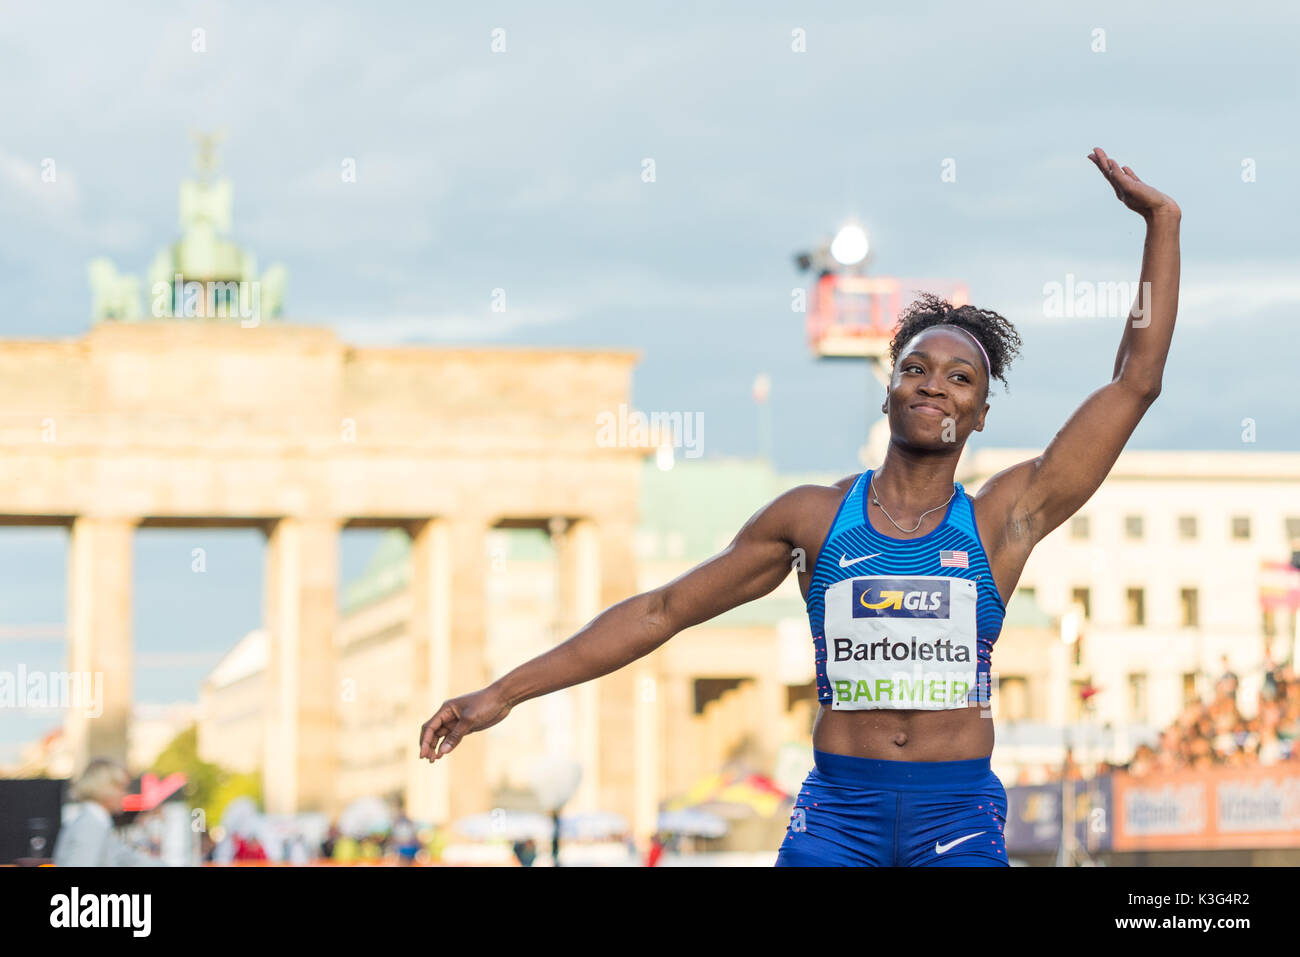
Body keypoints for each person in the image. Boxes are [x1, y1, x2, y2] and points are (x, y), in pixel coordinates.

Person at [418, 146, 1180, 867]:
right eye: (914, 368)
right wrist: (501, 693)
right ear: (887, 392)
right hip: (838, 816)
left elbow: (1132, 384)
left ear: (979, 415)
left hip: (956, 815)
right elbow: (661, 611)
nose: (931, 385)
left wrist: (1161, 225)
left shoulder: (1000, 521)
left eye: (959, 379)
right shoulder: (813, 520)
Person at [52, 757, 166, 867]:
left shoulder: (98, 824)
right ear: (105, 789)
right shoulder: (90, 827)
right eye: (123, 788)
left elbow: (130, 860)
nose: (126, 794)